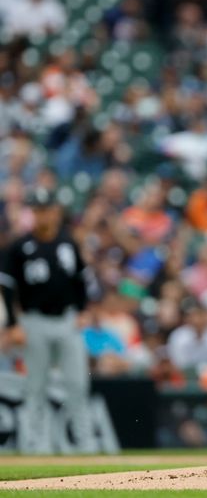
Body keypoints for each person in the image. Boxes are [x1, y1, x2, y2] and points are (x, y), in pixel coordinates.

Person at [0, 187, 97, 454]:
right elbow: (7, 287)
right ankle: (34, 446)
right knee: (35, 386)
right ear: (33, 213)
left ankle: (85, 443)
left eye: (47, 209)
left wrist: (83, 310)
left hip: (67, 320)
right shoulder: (19, 247)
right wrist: (12, 325)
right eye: (39, 210)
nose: (44, 215)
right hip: (34, 321)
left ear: (55, 211)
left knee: (78, 384)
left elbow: (81, 280)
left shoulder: (68, 242)